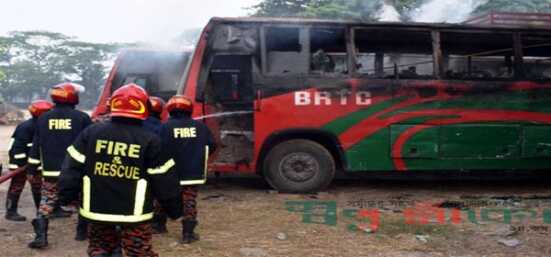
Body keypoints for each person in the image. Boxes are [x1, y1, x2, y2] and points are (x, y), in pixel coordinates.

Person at [58, 83, 182, 257]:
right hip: (134, 215)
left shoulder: (91, 133)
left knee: (100, 250)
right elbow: (165, 180)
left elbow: (71, 169)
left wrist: (66, 196)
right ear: (143, 108)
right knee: (139, 252)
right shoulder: (151, 140)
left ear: (112, 105)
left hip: (97, 210)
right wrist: (174, 209)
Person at [26, 82, 92, 249]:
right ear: (72, 97)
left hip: (50, 172)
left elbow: (36, 145)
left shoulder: (43, 118)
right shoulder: (82, 118)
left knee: (47, 201)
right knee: (83, 200)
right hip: (76, 171)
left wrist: (31, 169)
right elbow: (91, 145)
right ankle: (81, 232)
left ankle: (41, 236)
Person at [159, 95, 216, 243]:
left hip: (170, 173)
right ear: (189, 109)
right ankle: (188, 234)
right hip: (192, 172)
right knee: (189, 200)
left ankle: (159, 226)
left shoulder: (164, 127)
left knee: (162, 198)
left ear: (170, 110)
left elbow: (156, 148)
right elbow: (212, 145)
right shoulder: (201, 127)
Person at [4, 100, 53, 221]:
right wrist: (22, 164)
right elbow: (17, 148)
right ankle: (11, 212)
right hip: (20, 164)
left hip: (33, 164)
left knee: (38, 187)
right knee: (17, 187)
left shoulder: (42, 125)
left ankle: (40, 212)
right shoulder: (26, 127)